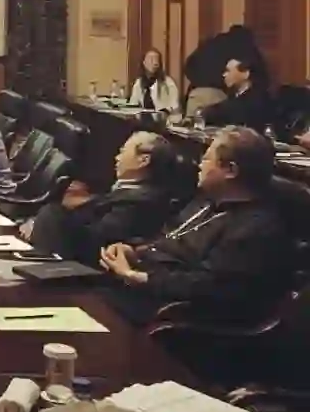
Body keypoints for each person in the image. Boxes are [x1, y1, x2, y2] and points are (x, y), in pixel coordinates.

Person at [100, 126, 295, 325]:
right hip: (139, 292)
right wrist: (133, 252)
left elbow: (210, 287)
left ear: (230, 170)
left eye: (207, 158)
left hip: (173, 316)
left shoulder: (255, 229)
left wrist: (138, 277)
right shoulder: (205, 202)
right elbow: (169, 240)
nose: (200, 165)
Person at [28, 131, 178, 266]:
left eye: (123, 152)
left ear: (143, 160)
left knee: (51, 214)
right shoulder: (133, 191)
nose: (117, 158)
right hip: (76, 249)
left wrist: (45, 225)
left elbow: (96, 241)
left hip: (85, 267)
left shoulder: (142, 202)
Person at [199, 57, 271, 130]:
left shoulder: (258, 99)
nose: (224, 75)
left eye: (228, 71)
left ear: (245, 74)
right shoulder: (234, 96)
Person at [127, 48, 180, 112]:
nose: (155, 63)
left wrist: (165, 111)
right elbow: (133, 104)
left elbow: (175, 105)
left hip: (164, 117)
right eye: (151, 59)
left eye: (157, 60)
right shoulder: (139, 83)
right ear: (144, 63)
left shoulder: (168, 83)